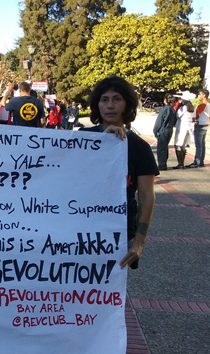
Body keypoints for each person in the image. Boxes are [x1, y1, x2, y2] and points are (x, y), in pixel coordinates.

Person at [80, 76, 158, 269]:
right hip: (80, 227)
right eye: (104, 100)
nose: (110, 105)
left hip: (120, 233)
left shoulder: (140, 148)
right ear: (97, 105)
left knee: (112, 292)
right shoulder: (81, 139)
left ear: (127, 105)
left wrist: (139, 242)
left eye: (117, 99)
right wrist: (99, 144)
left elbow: (147, 196)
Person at [187, 89, 210, 168]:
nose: (199, 96)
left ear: (204, 95)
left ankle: (196, 161)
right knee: (202, 144)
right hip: (205, 126)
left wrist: (193, 119)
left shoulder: (202, 105)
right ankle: (201, 161)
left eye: (200, 94)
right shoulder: (209, 104)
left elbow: (195, 114)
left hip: (200, 126)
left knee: (199, 145)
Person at [152, 93, 177, 170]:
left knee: (161, 147)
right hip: (169, 129)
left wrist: (155, 131)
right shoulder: (173, 110)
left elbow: (159, 121)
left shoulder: (164, 109)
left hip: (163, 129)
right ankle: (163, 162)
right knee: (165, 147)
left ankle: (162, 164)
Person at [173, 92, 196, 169]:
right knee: (183, 146)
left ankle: (180, 163)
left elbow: (178, 115)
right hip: (189, 128)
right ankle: (181, 163)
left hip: (182, 127)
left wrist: (178, 107)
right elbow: (194, 118)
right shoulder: (192, 108)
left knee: (178, 144)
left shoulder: (183, 108)